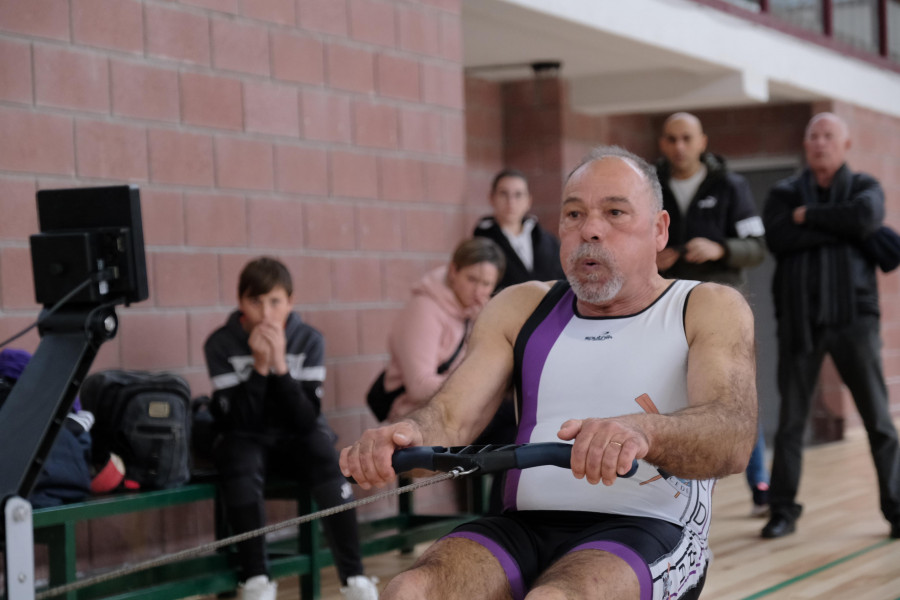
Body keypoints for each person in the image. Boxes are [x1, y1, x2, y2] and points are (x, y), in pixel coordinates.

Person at [341, 146, 758, 600]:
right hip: (523, 526)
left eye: (615, 212)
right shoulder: (519, 307)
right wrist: (403, 435)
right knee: (409, 591)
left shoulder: (707, 306)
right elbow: (449, 417)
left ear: (659, 230)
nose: (591, 230)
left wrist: (643, 433)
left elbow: (732, 436)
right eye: (574, 215)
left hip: (651, 527)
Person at [204, 257, 379, 600]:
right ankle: (256, 579)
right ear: (241, 303)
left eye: (275, 302)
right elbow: (239, 421)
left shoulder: (309, 339)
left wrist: (281, 366)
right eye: (256, 302)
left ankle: (355, 578)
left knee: (323, 453)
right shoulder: (220, 343)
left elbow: (305, 418)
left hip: (296, 437)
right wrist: (259, 367)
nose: (266, 314)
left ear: (290, 302)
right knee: (237, 458)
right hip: (248, 438)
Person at [761, 112, 900, 540]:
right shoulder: (785, 193)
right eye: (814, 136)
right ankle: (782, 510)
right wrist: (843, 226)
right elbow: (780, 237)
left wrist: (812, 218)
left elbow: (865, 217)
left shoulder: (865, 187)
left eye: (828, 136)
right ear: (806, 145)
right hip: (800, 320)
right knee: (790, 422)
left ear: (846, 145)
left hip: (854, 319)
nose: (820, 142)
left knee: (878, 420)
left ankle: (896, 511)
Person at [655, 111, 771, 516]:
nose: (679, 146)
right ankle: (675, 495)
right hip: (667, 306)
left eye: (687, 138)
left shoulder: (730, 185)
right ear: (662, 144)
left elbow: (757, 246)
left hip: (720, 309)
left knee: (734, 397)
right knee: (675, 399)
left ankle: (760, 482)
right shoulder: (650, 186)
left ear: (703, 141)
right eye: (671, 139)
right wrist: (656, 254)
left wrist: (721, 248)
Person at [385, 237, 505, 423]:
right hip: (417, 420)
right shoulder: (424, 309)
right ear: (453, 271)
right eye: (472, 279)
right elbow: (419, 386)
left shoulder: (474, 313)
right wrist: (476, 388)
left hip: (455, 416)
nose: (478, 291)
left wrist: (484, 327)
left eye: (486, 284)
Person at [473, 168, 565, 292]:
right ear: (491, 198)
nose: (511, 202)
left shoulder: (548, 241)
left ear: (528, 201)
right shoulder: (480, 243)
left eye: (518, 195)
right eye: (503, 193)